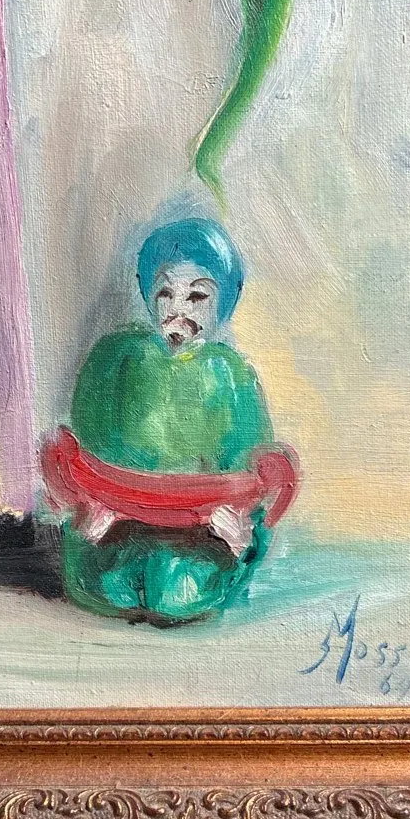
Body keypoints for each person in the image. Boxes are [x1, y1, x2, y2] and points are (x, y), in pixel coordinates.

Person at [61, 218, 276, 624]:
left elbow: (251, 464)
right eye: (165, 292)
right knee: (113, 586)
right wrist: (91, 509)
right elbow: (88, 441)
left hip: (201, 534)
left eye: (197, 296)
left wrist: (236, 532)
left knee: (177, 593)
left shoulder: (233, 375)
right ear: (149, 295)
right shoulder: (115, 357)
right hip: (120, 525)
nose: (178, 309)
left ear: (224, 301)